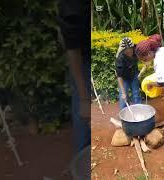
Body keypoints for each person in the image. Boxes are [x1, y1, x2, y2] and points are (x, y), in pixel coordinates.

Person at [58, 0, 90, 153]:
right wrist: (84, 100)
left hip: (90, 54)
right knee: (82, 111)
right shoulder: (73, 6)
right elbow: (72, 50)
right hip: (82, 61)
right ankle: (82, 158)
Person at [115, 37, 142, 110]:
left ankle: (139, 112)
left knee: (136, 94)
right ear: (123, 51)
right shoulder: (120, 59)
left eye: (131, 51)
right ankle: (124, 115)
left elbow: (140, 57)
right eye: (127, 52)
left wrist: (142, 69)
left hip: (134, 74)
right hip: (124, 78)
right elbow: (119, 77)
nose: (130, 53)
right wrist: (123, 92)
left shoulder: (136, 49)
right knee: (123, 96)